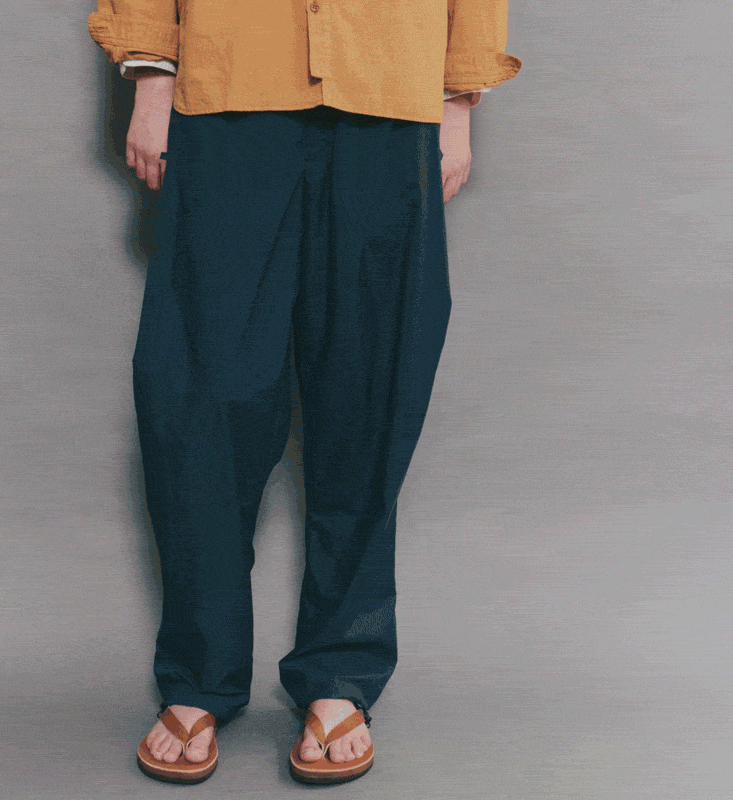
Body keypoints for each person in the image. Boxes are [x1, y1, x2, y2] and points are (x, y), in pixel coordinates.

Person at [88, 0, 521, 785]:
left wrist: (458, 101)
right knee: (201, 396)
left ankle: (340, 671)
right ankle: (198, 674)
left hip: (391, 90)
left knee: (370, 392)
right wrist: (152, 79)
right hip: (231, 85)